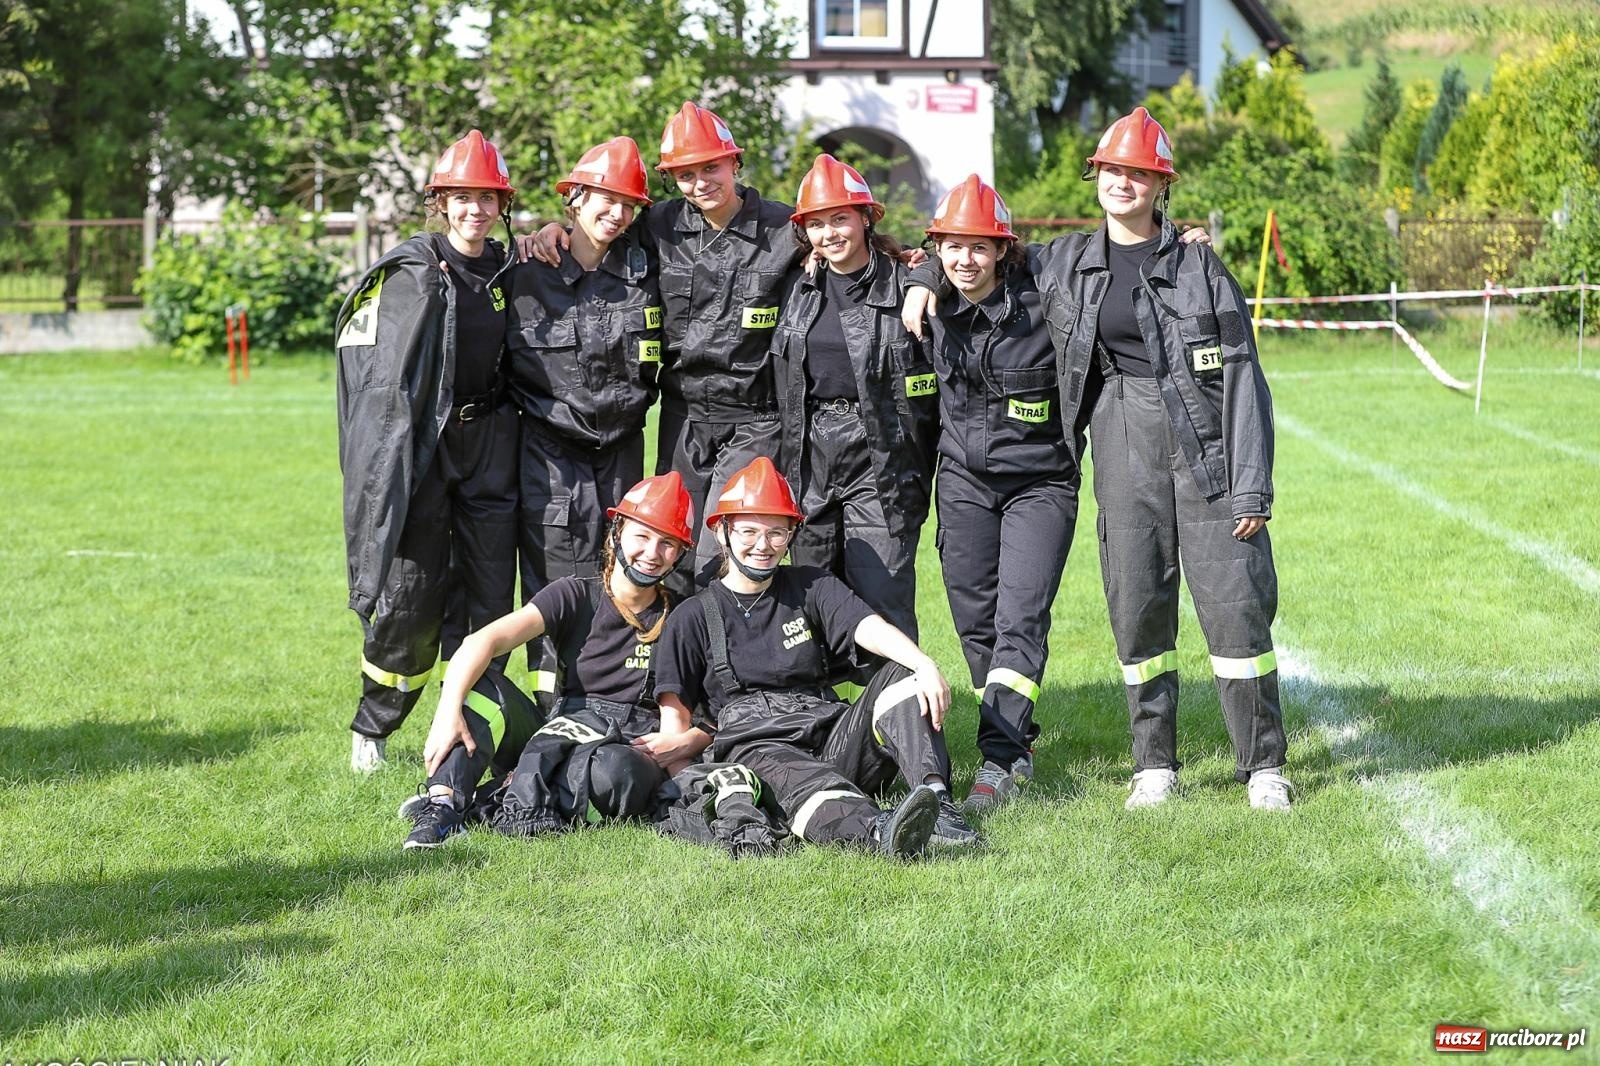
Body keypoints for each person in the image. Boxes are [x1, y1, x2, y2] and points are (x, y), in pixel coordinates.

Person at [1056, 108, 1288, 810]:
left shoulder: (1199, 266)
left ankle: (1264, 767)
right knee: (1137, 605)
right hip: (1121, 433)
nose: (1121, 184)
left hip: (1206, 445)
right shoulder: (1066, 259)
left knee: (1237, 603)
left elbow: (1245, 375)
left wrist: (1250, 485)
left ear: (1161, 185)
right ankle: (1153, 765)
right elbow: (977, 261)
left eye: (1138, 174)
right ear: (1096, 177)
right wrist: (921, 276)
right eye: (1111, 171)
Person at [527, 102, 800, 595]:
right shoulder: (658, 226)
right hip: (682, 417)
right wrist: (552, 231)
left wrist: (924, 271)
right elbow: (595, 224)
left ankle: (734, 667)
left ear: (734, 164)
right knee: (673, 543)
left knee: (728, 542)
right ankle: (677, 663)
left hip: (755, 417)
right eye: (685, 175)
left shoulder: (787, 230)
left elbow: (858, 244)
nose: (700, 183)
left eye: (710, 168)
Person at [652, 457, 981, 859]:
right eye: (749, 531)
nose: (763, 545)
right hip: (760, 748)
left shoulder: (810, 585)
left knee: (902, 672)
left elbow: (867, 628)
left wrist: (924, 664)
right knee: (798, 778)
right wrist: (693, 786)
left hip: (831, 732)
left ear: (791, 535)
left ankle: (937, 803)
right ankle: (880, 831)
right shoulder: (693, 617)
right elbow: (675, 722)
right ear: (722, 533)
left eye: (777, 533)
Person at [335, 130, 519, 772]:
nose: (474, 210)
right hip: (426, 451)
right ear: (440, 203)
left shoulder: (508, 268)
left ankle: (471, 717)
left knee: (491, 590)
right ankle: (374, 726)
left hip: (491, 442)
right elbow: (375, 382)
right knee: (411, 593)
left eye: (486, 198)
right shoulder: (412, 272)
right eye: (461, 198)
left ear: (501, 204)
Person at [401, 473, 699, 848]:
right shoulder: (574, 594)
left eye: (668, 543)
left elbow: (714, 707)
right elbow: (483, 641)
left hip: (627, 746)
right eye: (642, 536)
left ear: (681, 553)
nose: (652, 553)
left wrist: (685, 743)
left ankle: (496, 798)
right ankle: (444, 803)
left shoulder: (686, 614)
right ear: (617, 532)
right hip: (561, 730)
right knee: (480, 686)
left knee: (618, 774)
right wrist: (448, 713)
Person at [503, 135, 662, 704]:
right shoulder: (523, 270)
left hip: (622, 450)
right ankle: (552, 705)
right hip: (550, 455)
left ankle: (615, 696)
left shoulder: (649, 271)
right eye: (602, 198)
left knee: (625, 570)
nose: (615, 213)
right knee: (554, 577)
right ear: (574, 199)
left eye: (627, 204)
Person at [772, 154, 938, 639]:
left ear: (866, 218)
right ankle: (816, 713)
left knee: (882, 593)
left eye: (841, 218)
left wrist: (927, 275)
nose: (830, 234)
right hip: (809, 455)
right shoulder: (794, 284)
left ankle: (901, 713)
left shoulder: (908, 281)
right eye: (817, 224)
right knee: (808, 596)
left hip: (881, 456)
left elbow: (965, 267)